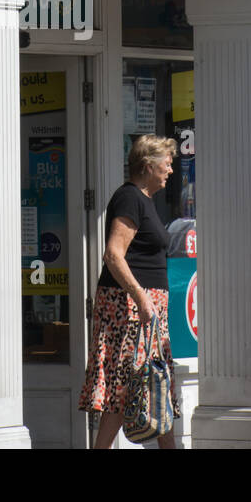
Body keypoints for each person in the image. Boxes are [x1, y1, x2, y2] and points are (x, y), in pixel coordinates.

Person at [79, 134, 182, 448]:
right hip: (128, 308)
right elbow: (113, 254)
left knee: (154, 381)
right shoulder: (130, 198)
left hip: (145, 308)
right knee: (127, 387)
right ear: (148, 165)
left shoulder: (144, 200)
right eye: (167, 163)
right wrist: (141, 298)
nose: (171, 170)